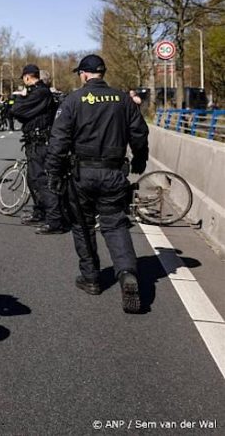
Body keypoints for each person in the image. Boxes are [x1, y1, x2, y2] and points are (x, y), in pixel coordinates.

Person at [45, 54, 149, 314]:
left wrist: (54, 174)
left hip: (82, 174)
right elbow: (139, 133)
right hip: (113, 172)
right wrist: (139, 160)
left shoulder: (73, 100)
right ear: (102, 73)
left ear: (84, 74)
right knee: (115, 223)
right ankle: (126, 272)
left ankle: (91, 278)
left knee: (82, 225)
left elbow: (58, 141)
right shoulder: (123, 99)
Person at [10, 64, 67, 235]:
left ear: (28, 77)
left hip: (41, 143)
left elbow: (16, 110)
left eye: (24, 79)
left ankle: (55, 220)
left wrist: (20, 98)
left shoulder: (40, 93)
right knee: (33, 179)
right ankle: (40, 212)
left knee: (42, 181)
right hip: (33, 142)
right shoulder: (37, 93)